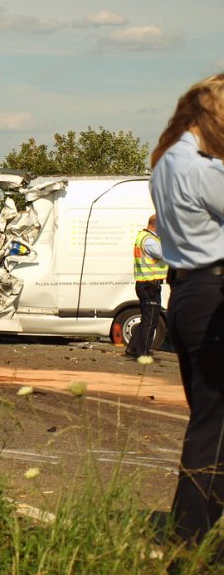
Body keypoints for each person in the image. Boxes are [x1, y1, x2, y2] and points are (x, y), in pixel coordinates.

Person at [149, 73, 224, 547]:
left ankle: (191, 538)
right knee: (215, 429)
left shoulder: (167, 162)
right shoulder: (202, 167)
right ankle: (191, 544)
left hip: (188, 295)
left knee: (211, 423)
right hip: (215, 293)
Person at [125, 214, 167, 359]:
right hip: (150, 285)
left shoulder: (145, 237)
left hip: (147, 284)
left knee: (146, 319)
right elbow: (164, 254)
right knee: (151, 321)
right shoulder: (149, 240)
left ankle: (132, 348)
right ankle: (142, 353)